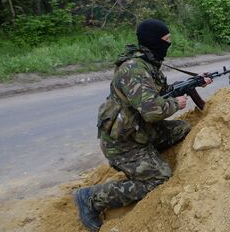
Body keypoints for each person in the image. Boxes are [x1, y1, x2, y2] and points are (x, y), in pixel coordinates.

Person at [73, 19, 211, 231]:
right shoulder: (133, 70)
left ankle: (148, 160)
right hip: (122, 143)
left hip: (140, 131)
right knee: (160, 180)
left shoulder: (149, 64)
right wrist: (176, 103)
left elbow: (160, 94)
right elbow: (152, 111)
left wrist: (193, 82)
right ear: (154, 41)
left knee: (182, 129)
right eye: (166, 40)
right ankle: (92, 198)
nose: (169, 44)